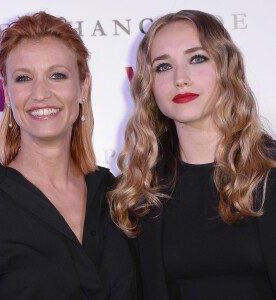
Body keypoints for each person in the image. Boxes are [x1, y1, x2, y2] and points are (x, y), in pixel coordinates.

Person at [109, 9, 276, 300]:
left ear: (226, 69)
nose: (180, 78)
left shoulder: (270, 169)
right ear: (150, 86)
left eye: (197, 58)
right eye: (163, 67)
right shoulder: (136, 194)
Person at [0, 11, 138, 300]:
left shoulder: (116, 195)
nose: (40, 93)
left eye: (57, 75)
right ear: (8, 92)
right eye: (24, 78)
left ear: (83, 87)